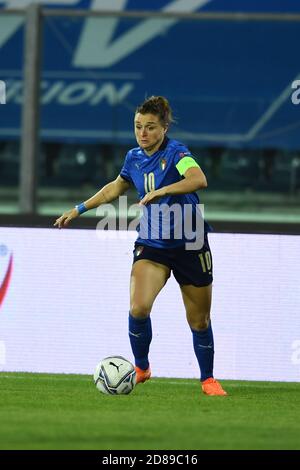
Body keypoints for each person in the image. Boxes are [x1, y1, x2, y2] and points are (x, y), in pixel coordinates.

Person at [54, 96, 227, 396]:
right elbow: (115, 187)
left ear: (164, 128)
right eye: (137, 126)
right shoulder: (133, 157)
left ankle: (207, 379)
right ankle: (142, 367)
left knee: (199, 320)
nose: (142, 133)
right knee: (138, 307)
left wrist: (162, 191)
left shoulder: (177, 152)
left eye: (150, 127)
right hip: (153, 243)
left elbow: (198, 179)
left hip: (191, 243)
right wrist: (79, 209)